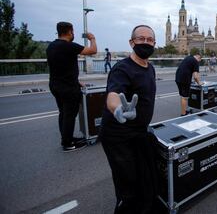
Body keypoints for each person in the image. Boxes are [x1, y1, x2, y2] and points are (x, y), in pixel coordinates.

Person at [100, 25, 159, 213]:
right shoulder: (122, 69)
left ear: (155, 44)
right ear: (131, 42)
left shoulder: (150, 67)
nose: (145, 42)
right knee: (128, 184)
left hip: (138, 133)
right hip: (118, 137)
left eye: (150, 40)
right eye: (141, 39)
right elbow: (113, 94)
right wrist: (117, 108)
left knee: (143, 178)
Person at [46, 21, 97, 152]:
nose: (73, 33)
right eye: (73, 31)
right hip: (68, 88)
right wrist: (92, 38)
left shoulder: (51, 46)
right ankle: (68, 143)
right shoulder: (68, 46)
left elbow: (61, 68)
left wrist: (77, 81)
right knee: (69, 115)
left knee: (63, 113)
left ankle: (66, 137)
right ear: (69, 31)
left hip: (55, 85)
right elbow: (93, 50)